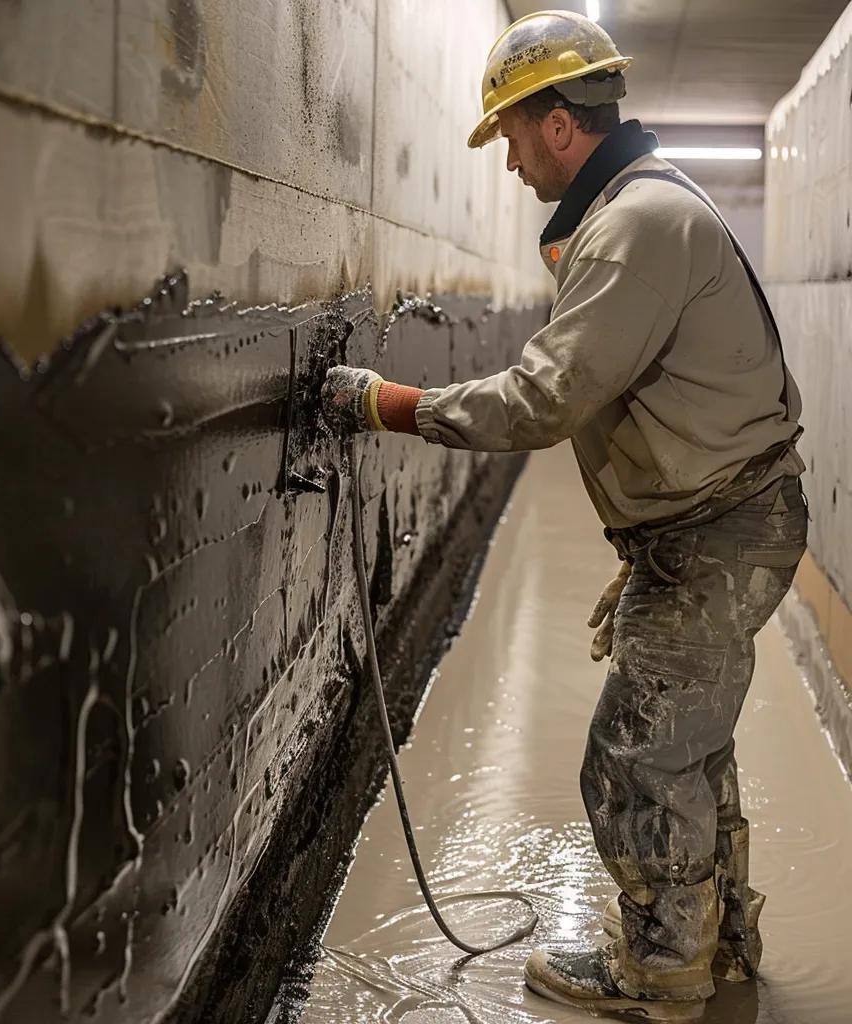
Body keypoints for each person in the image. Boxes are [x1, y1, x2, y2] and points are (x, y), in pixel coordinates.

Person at [321, 10, 808, 1022]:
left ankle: (663, 970)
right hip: (710, 525)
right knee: (686, 743)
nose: (505, 162)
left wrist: (390, 405)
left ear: (556, 124)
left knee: (634, 755)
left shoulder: (632, 227)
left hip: (717, 530)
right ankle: (716, 947)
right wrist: (653, 541)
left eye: (506, 134)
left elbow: (545, 399)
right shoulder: (635, 210)